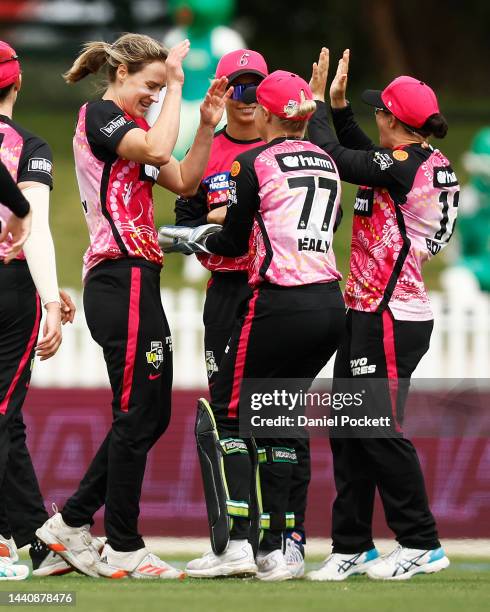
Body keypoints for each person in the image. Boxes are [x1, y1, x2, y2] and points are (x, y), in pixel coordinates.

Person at [35, 33, 231, 580]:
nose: (154, 95)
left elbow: (184, 178)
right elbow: (157, 151)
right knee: (136, 411)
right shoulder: (100, 115)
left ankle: (70, 525)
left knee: (152, 411)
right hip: (117, 276)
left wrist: (209, 124)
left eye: (158, 87)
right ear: (119, 75)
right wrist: (175, 86)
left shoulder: (137, 131)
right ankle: (122, 545)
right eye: (148, 86)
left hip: (140, 278)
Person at [167, 70, 345, 580]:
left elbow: (236, 239)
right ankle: (285, 549)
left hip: (277, 303)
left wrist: (189, 237)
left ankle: (237, 545)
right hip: (329, 303)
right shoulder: (328, 162)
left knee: (231, 414)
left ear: (267, 114)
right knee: (282, 417)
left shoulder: (253, 161)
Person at [306, 48, 458, 581]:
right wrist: (342, 107)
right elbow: (363, 153)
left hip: (393, 315)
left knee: (374, 428)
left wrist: (318, 107)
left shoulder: (405, 167)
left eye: (378, 110)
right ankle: (352, 545)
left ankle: (421, 542)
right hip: (369, 310)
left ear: (395, 120)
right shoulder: (411, 162)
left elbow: (335, 155)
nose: (375, 116)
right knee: (347, 430)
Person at [0, 40, 76, 580]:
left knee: (9, 420)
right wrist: (50, 299)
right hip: (9, 288)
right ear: (18, 83)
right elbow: (35, 230)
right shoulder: (30, 145)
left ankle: (35, 542)